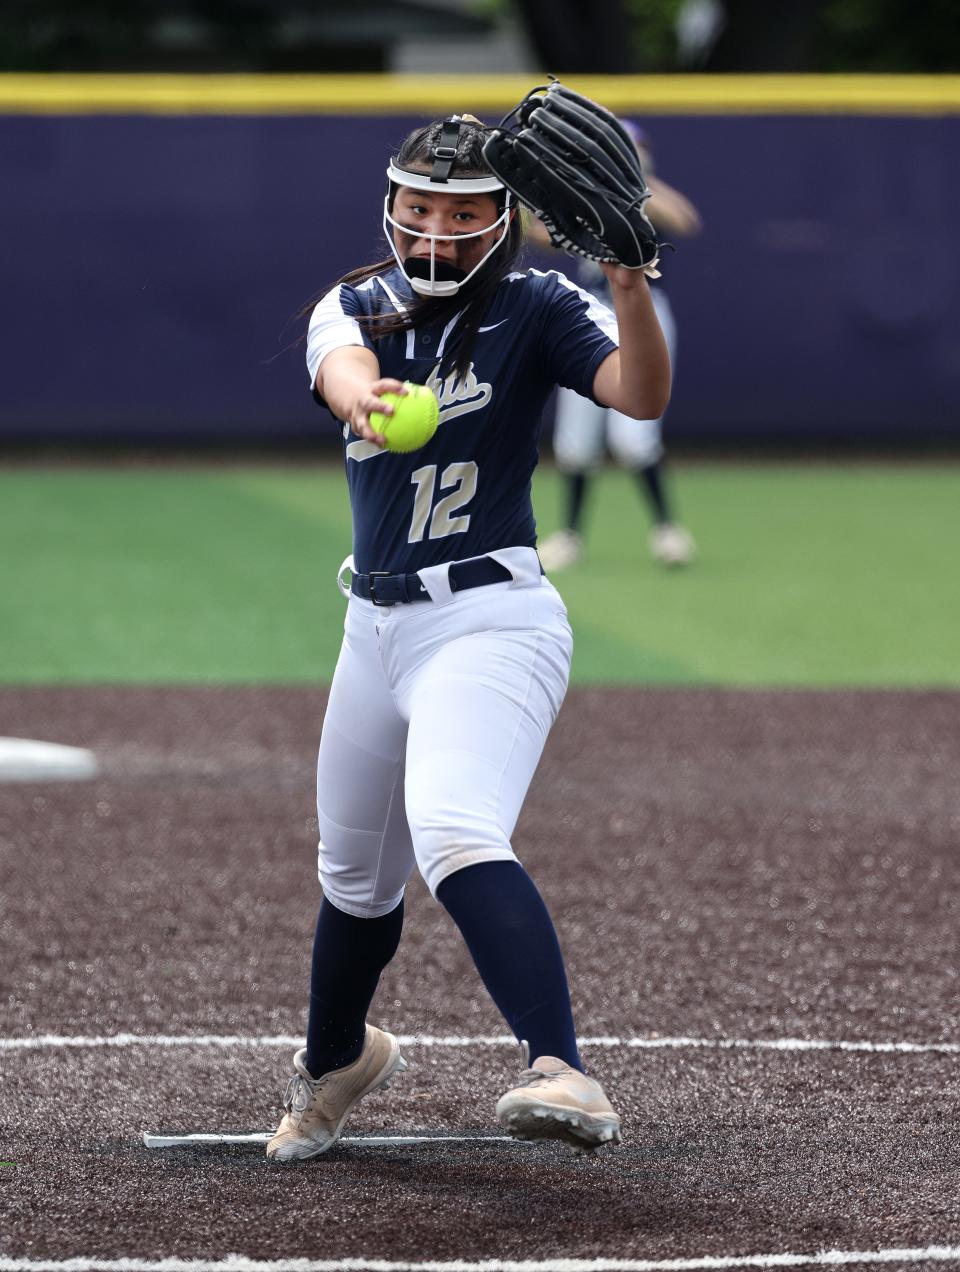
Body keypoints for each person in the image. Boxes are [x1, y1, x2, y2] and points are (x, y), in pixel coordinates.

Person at [266, 111, 670, 1162]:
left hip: (491, 617)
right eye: (420, 207)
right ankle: (334, 1063)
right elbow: (343, 373)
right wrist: (370, 399)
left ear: (503, 218)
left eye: (462, 210)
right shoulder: (352, 305)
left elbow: (640, 394)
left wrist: (630, 281)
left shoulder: (540, 303)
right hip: (376, 625)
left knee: (451, 828)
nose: (436, 228)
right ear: (391, 210)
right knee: (352, 879)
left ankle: (560, 1065)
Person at [534, 122, 702, 571]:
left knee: (633, 438)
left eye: (630, 148)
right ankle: (569, 536)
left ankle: (668, 529)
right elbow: (542, 237)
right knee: (575, 441)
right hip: (588, 315)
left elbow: (685, 219)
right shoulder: (584, 197)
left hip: (641, 317)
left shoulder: (643, 196)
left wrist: (635, 182)